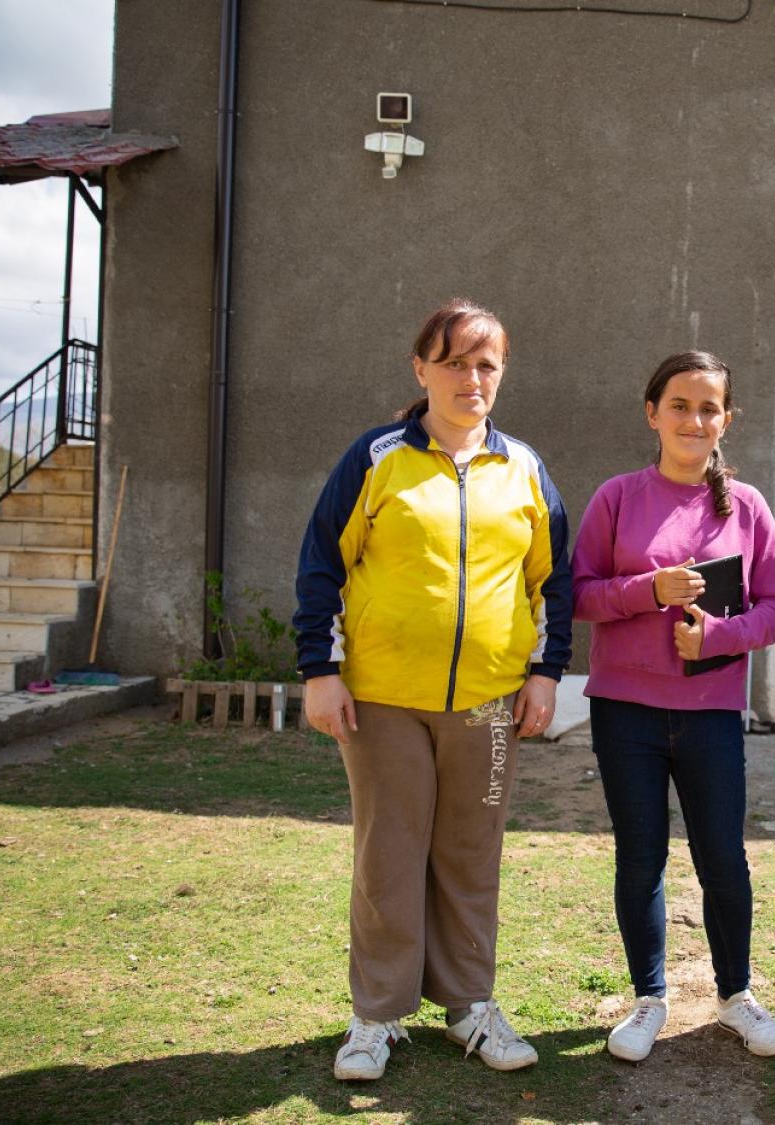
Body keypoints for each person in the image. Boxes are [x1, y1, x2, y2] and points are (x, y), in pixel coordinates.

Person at [293, 298, 572, 1082]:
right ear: (421, 370)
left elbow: (555, 580)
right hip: (381, 701)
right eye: (454, 361)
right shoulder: (377, 457)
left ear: (502, 374)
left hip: (487, 706)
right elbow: (323, 562)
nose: (470, 378)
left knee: (470, 853)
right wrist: (321, 670)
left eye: (486, 364)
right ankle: (377, 1015)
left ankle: (469, 1007)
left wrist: (546, 673)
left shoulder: (525, 468)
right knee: (389, 852)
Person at [571, 351, 775, 1063]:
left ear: (726, 419)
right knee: (641, 857)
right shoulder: (617, 497)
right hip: (625, 711)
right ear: (652, 412)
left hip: (711, 714)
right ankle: (649, 998)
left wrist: (720, 636)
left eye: (708, 408)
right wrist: (648, 591)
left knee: (723, 856)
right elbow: (578, 595)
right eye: (680, 405)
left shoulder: (749, 507)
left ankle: (735, 995)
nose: (694, 420)